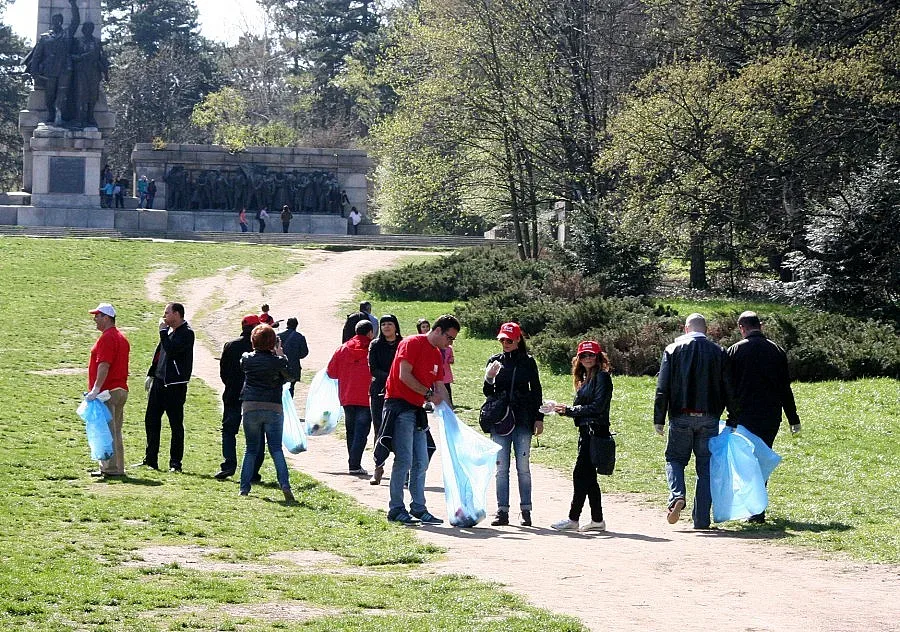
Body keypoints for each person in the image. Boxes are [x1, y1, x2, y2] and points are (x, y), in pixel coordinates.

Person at [654, 313, 731, 529]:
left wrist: (659, 418)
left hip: (680, 414)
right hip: (709, 416)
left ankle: (677, 495)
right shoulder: (719, 352)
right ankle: (702, 519)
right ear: (706, 330)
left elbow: (662, 388)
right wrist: (732, 415)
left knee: (675, 459)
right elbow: (728, 386)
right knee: (705, 467)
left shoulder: (672, 349)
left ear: (685, 328)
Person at [726, 311, 801, 523]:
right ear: (761, 325)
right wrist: (793, 418)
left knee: (745, 460)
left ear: (742, 328)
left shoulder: (735, 351)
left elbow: (728, 386)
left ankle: (751, 507)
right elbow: (785, 388)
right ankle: (757, 510)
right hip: (770, 415)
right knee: (762, 460)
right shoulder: (777, 350)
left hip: (744, 416)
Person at [384, 314, 459, 525]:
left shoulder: (437, 354)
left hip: (417, 410)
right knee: (404, 459)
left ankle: (418, 507)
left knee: (422, 460)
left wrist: (451, 415)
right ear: (438, 331)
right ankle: (396, 508)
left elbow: (440, 386)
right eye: (449, 338)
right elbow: (404, 375)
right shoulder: (411, 344)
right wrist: (428, 395)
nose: (450, 343)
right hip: (400, 408)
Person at [483, 322, 544, 527]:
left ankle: (526, 510)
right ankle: (502, 511)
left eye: (509, 340)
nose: (505, 343)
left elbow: (536, 391)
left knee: (523, 467)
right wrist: (490, 378)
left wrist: (539, 418)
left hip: (523, 419)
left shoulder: (528, 362)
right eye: (502, 340)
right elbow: (487, 393)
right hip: (500, 420)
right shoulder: (495, 360)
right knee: (501, 468)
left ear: (518, 339)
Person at [551, 341, 613, 532]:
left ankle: (573, 518)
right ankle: (597, 519)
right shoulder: (585, 378)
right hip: (586, 431)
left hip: (595, 431)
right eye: (584, 355)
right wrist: (565, 410)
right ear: (578, 358)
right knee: (589, 478)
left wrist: (569, 410)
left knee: (580, 475)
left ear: (598, 357)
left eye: (591, 355)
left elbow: (597, 407)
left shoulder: (602, 378)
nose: (587, 358)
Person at [238, 324, 294, 501]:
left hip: (251, 405)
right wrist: (281, 355)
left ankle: (244, 488)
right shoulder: (278, 362)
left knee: (251, 449)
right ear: (273, 342)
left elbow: (244, 365)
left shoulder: (246, 358)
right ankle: (284, 484)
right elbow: (290, 377)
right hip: (273, 406)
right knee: (276, 449)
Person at [139, 302, 195, 472]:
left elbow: (171, 350)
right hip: (159, 382)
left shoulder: (187, 333)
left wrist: (163, 332)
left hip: (175, 386)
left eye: (167, 313)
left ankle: (175, 463)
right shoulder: (170, 332)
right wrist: (151, 373)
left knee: (175, 424)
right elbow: (160, 353)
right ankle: (151, 459)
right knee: (151, 420)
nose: (164, 317)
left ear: (177, 314)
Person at [214, 314, 265, 480]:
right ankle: (253, 471)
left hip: (232, 394)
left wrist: (231, 385)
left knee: (229, 431)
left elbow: (223, 372)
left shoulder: (231, 346)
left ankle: (229, 464)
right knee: (256, 436)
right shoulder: (262, 348)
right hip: (255, 397)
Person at [86, 303, 130, 478]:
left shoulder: (107, 338)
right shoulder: (122, 338)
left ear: (106, 317)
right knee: (116, 430)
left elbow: (104, 365)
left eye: (97, 315)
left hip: (108, 391)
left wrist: (96, 389)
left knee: (107, 431)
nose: (95, 319)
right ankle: (118, 467)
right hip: (121, 389)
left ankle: (110, 468)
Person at [327, 320, 375, 475]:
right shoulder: (372, 349)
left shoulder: (343, 348)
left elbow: (331, 372)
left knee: (351, 431)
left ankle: (353, 463)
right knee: (362, 431)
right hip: (366, 396)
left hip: (347, 396)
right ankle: (354, 463)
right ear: (370, 333)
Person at [23, 0, 79, 125]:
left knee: (63, 92)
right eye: (55, 20)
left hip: (65, 68)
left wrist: (74, 5)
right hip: (50, 70)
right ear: (52, 22)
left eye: (59, 20)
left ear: (62, 22)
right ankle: (51, 113)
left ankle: (59, 115)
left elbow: (76, 21)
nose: (57, 22)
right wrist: (34, 71)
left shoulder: (67, 33)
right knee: (49, 94)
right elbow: (37, 56)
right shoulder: (45, 37)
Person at [368, 314, 402, 485]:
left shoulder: (402, 344)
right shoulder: (375, 345)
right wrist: (392, 377)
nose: (386, 327)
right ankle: (378, 467)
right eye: (383, 325)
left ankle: (403, 472)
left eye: (389, 324)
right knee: (379, 429)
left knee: (401, 431)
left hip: (401, 392)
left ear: (396, 326)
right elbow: (373, 369)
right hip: (379, 391)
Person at [71, 21, 109, 128]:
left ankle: (90, 116)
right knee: (80, 94)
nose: (89, 30)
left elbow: (102, 58)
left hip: (94, 71)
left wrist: (106, 73)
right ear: (83, 29)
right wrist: (82, 56)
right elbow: (71, 56)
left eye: (91, 28)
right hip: (81, 71)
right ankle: (79, 117)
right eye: (87, 28)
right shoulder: (78, 41)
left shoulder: (97, 42)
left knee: (93, 95)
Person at [278, 317, 309, 396]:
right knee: (291, 388)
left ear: (287, 325)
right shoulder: (300, 337)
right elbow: (304, 353)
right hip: (293, 366)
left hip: (279, 365)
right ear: (296, 325)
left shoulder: (278, 335)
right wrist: (295, 356)